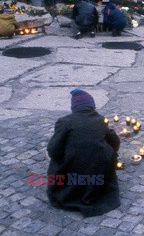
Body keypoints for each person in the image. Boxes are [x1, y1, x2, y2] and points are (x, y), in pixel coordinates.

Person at [47, 89, 120, 217]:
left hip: (73, 172)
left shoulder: (65, 121)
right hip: (98, 173)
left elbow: (53, 150)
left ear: (74, 107)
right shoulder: (100, 120)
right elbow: (115, 143)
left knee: (56, 159)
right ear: (92, 106)